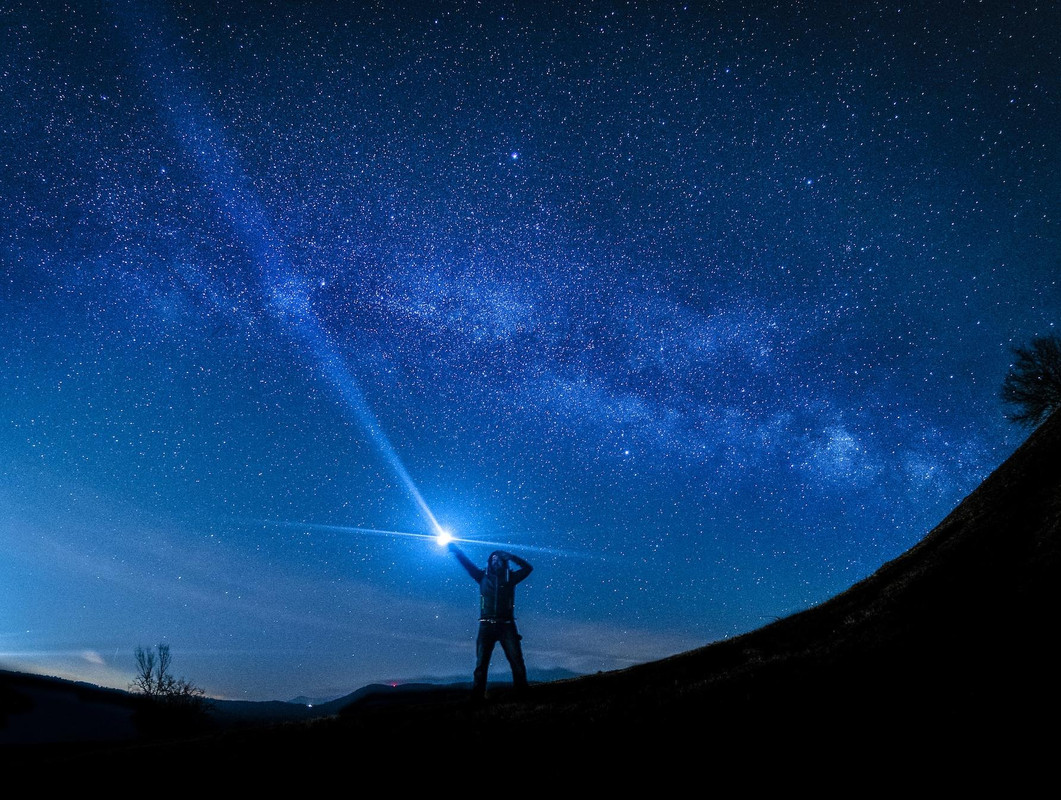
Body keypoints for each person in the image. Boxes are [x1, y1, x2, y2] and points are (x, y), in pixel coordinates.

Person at [449, 542, 533, 701]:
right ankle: (477, 696)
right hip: (486, 625)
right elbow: (467, 565)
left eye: (499, 558)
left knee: (516, 660)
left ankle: (522, 693)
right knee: (481, 663)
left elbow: (529, 568)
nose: (496, 560)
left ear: (504, 561)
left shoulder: (511, 577)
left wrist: (513, 557)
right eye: (493, 558)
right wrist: (457, 552)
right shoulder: (481, 577)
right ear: (489, 561)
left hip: (507, 625)